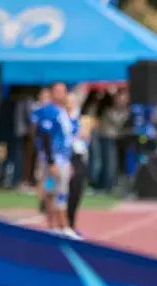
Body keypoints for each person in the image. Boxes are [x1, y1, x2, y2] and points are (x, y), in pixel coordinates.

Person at [35, 82, 77, 238]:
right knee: (54, 191)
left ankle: (58, 226)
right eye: (57, 92)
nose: (61, 95)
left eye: (63, 92)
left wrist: (69, 160)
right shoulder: (49, 111)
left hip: (63, 159)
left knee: (58, 191)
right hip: (54, 160)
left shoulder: (62, 112)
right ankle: (57, 226)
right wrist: (51, 162)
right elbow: (44, 136)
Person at [66, 93, 91, 237]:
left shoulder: (81, 119)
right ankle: (64, 224)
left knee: (77, 191)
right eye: (67, 102)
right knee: (64, 192)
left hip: (79, 157)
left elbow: (85, 137)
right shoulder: (62, 118)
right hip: (66, 157)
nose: (69, 104)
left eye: (72, 102)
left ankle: (72, 223)